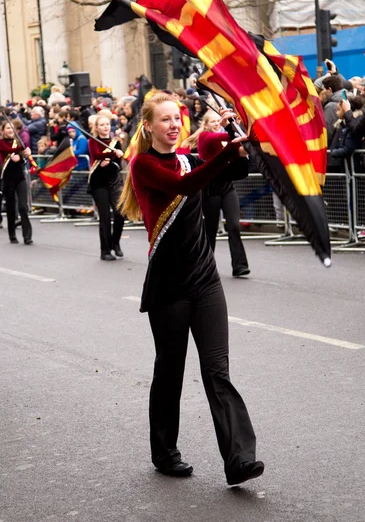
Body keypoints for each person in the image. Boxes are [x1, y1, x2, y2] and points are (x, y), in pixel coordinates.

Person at [118, 93, 263, 485]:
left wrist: (234, 134)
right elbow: (185, 186)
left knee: (218, 370)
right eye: (164, 119)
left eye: (177, 118)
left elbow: (236, 171)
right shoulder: (144, 165)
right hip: (169, 286)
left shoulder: (189, 158)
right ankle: (164, 452)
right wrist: (221, 153)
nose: (173, 125)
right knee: (171, 371)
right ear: (148, 126)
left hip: (205, 281)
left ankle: (239, 459)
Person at [183, 109, 250, 276]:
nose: (216, 123)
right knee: (210, 228)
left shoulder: (226, 140)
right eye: (213, 121)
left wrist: (236, 128)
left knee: (234, 225)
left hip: (227, 187)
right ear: (206, 124)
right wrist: (233, 127)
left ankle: (240, 265)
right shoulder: (205, 138)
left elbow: (237, 147)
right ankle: (205, 266)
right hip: (210, 189)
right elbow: (228, 138)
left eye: (218, 120)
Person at [88, 116, 125, 261]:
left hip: (113, 181)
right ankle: (105, 250)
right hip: (98, 182)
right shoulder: (93, 141)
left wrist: (112, 157)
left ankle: (115, 242)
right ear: (97, 127)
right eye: (102, 125)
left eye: (107, 124)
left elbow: (118, 159)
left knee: (120, 212)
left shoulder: (115, 142)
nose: (105, 127)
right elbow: (96, 154)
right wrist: (111, 154)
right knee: (104, 216)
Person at [0, 120, 33, 244]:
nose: (10, 130)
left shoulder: (18, 142)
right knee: (11, 207)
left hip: (20, 178)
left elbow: (22, 154)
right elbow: (8, 150)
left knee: (23, 206)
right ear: (3, 130)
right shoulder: (1, 143)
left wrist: (26, 153)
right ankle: (12, 234)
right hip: (7, 179)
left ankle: (27, 236)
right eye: (8, 128)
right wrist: (23, 149)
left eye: (12, 128)